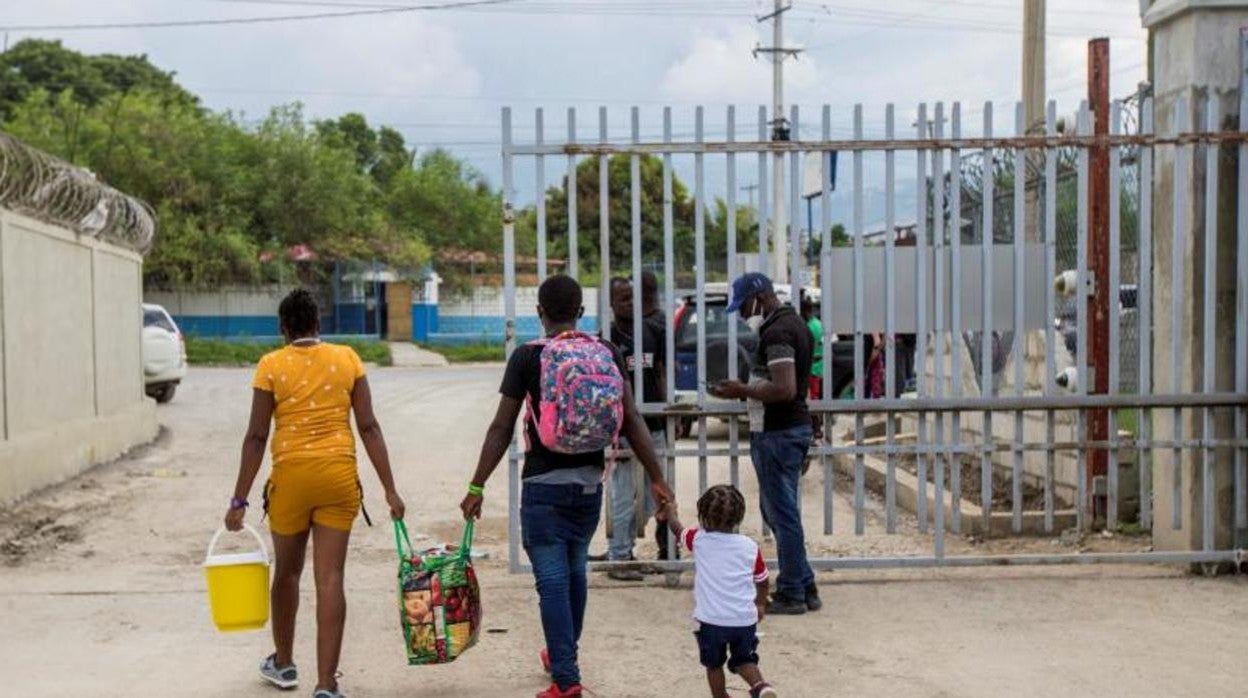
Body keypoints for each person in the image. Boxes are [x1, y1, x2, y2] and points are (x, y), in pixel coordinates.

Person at [460, 274, 675, 698]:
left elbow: (501, 427)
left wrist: (477, 485)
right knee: (575, 571)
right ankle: (562, 655)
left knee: (554, 582)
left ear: (539, 312)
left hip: (543, 486)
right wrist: (657, 477)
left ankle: (567, 678)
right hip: (589, 486)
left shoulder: (527, 357)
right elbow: (631, 420)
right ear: (580, 312)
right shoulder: (607, 351)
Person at [224, 289, 406, 698]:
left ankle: (285, 665)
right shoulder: (348, 359)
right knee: (331, 579)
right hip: (339, 478)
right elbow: (370, 427)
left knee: (287, 573)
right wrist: (390, 490)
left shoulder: (271, 365)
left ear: (283, 329)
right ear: (319, 325)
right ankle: (326, 686)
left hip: (290, 479)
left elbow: (256, 436)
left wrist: (239, 500)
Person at [711, 272, 820, 616]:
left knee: (781, 515)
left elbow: (784, 389)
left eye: (743, 306)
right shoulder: (794, 324)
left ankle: (791, 592)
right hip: (786, 431)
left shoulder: (778, 331)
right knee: (782, 512)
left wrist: (740, 390)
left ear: (758, 297)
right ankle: (805, 584)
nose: (743, 315)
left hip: (778, 432)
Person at [659, 487, 777, 698]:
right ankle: (761, 687)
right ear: (738, 518)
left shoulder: (698, 539)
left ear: (702, 517)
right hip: (743, 619)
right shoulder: (749, 546)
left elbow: (677, 529)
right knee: (745, 660)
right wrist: (760, 603)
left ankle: (721, 696)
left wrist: (671, 513)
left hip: (712, 621)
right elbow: (762, 579)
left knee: (714, 665)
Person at [600, 277, 670, 581]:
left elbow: (661, 372)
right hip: (622, 427)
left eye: (633, 296)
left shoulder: (653, 331)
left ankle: (667, 552)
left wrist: (670, 410)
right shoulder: (606, 338)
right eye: (623, 298)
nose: (630, 303)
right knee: (622, 492)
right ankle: (620, 555)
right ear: (612, 304)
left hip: (653, 422)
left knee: (657, 491)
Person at [799, 293, 824, 441]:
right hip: (818, 366)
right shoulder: (818, 323)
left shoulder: (809, 327)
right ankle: (816, 428)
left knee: (811, 400)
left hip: (812, 367)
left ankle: (816, 429)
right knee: (814, 398)